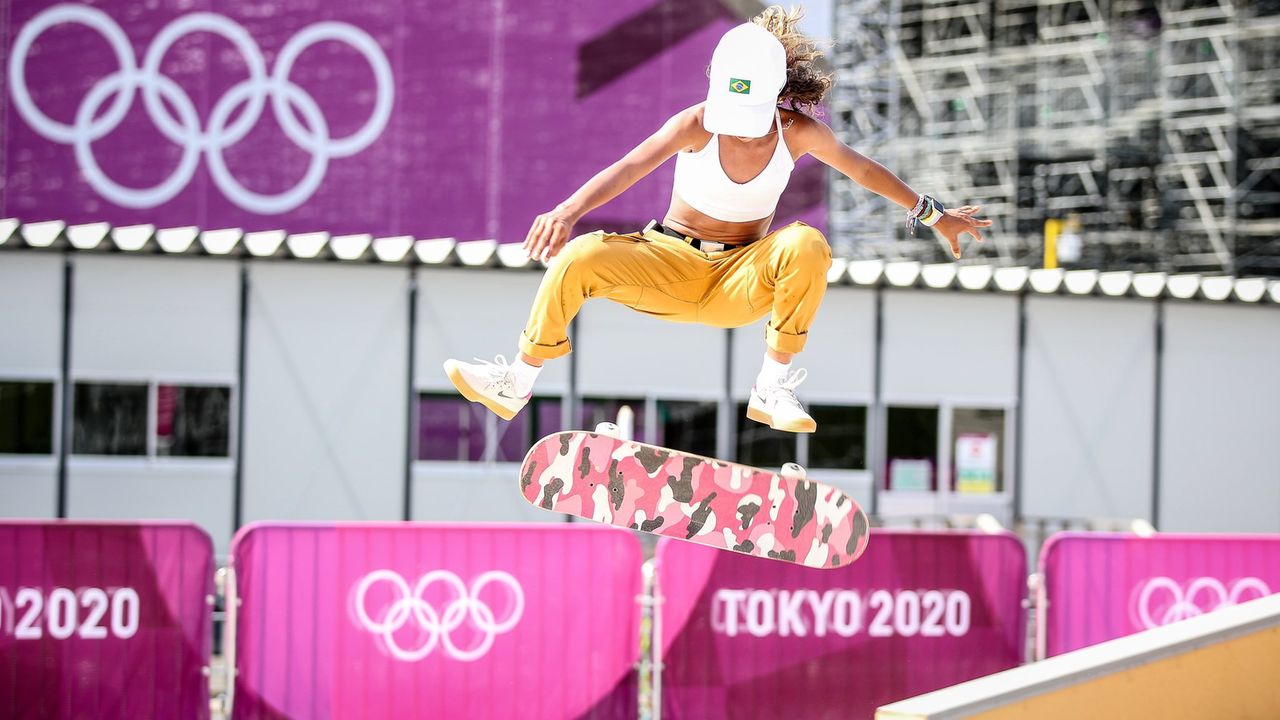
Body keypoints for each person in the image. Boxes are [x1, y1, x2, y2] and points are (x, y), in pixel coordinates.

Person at [446, 6, 989, 434]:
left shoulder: (798, 132)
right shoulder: (695, 123)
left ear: (776, 94)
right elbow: (629, 167)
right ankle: (516, 381)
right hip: (667, 265)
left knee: (806, 244)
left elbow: (863, 170)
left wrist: (932, 214)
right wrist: (567, 212)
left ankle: (771, 387)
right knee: (580, 256)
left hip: (739, 280)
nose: (739, 129)